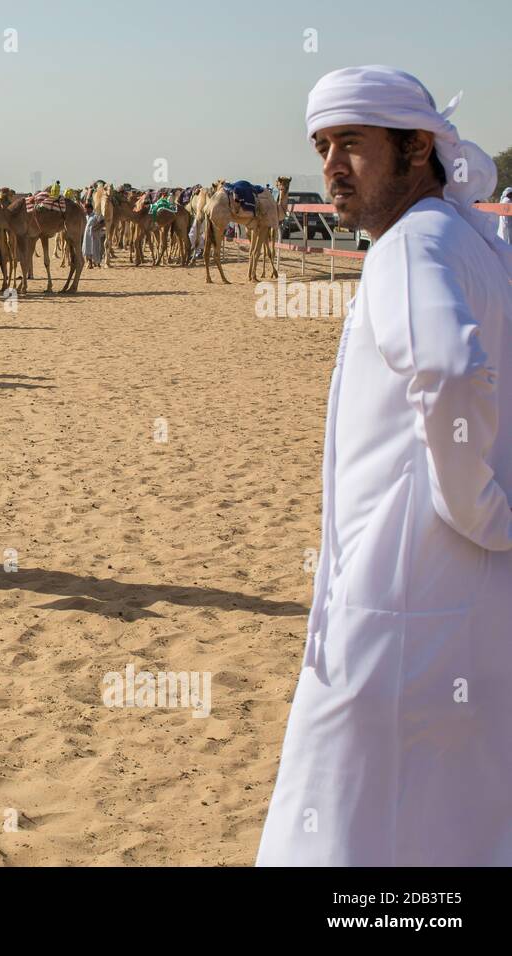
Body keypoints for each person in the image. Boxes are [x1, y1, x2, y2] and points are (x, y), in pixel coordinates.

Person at [257, 65, 512, 866]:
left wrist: (482, 510)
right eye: (322, 144)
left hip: (397, 606)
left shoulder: (410, 247)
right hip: (459, 609)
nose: (332, 163)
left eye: (353, 143)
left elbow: (448, 369)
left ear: (416, 149)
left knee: (344, 824)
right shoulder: (467, 240)